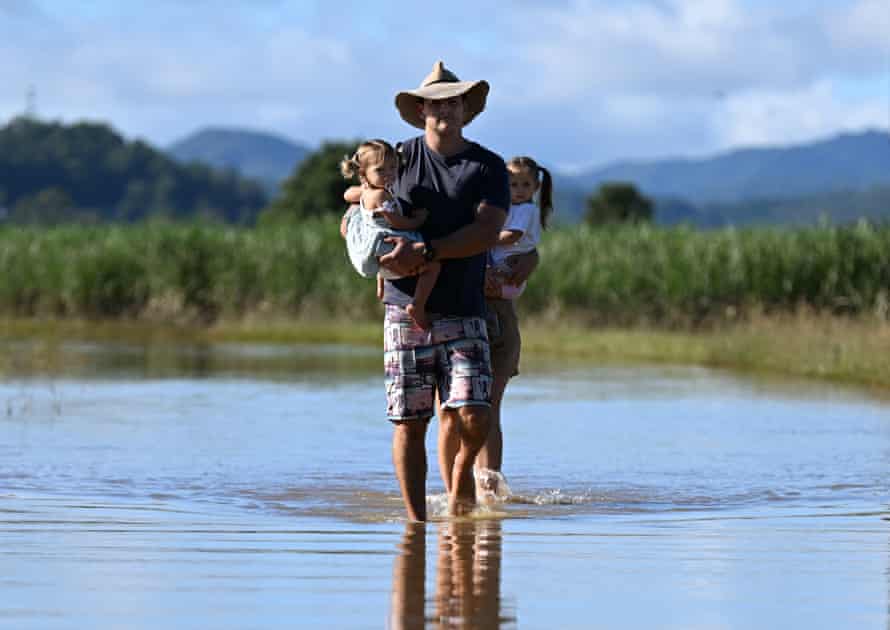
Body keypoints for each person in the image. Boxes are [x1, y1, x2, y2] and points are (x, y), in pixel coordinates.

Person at [343, 61, 509, 521]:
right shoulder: (396, 159)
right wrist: (377, 257)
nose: (445, 111)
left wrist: (430, 250)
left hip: (464, 306)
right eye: (436, 103)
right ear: (420, 110)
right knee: (409, 423)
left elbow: (487, 232)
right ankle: (416, 524)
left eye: (453, 102)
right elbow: (356, 213)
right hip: (403, 309)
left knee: (475, 413)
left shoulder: (487, 166)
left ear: (465, 109)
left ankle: (459, 482)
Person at [475, 156, 553, 500]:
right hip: (480, 306)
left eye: (524, 185)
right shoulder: (496, 209)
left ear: (535, 188)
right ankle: (479, 484)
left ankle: (488, 484)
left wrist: (480, 239)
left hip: (497, 309)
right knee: (471, 409)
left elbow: (514, 241)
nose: (517, 191)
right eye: (512, 184)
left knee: (487, 407)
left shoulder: (520, 214)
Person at [340, 139, 441, 329]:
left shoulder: (366, 193)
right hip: (391, 248)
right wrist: (418, 220)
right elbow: (398, 222)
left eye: (393, 168)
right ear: (363, 174)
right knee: (433, 266)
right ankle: (417, 305)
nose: (389, 174)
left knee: (382, 241)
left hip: (378, 252)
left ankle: (381, 284)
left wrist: (363, 188)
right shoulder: (381, 196)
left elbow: (347, 195)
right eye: (380, 170)